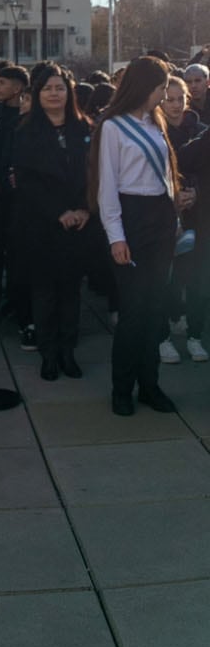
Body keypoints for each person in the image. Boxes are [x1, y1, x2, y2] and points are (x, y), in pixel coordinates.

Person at [97, 55, 191, 417]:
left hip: (161, 220)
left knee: (155, 310)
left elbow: (166, 173)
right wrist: (116, 237)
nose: (165, 92)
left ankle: (150, 385)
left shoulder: (157, 121)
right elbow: (107, 188)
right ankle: (122, 388)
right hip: (131, 219)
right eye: (162, 85)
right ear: (146, 86)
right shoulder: (113, 127)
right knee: (134, 312)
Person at [14, 67, 97, 381]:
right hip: (42, 223)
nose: (53, 93)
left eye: (59, 87)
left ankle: (68, 351)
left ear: (69, 92)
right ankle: (48, 353)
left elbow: (96, 174)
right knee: (45, 291)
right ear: (37, 94)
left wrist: (85, 209)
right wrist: (58, 211)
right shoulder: (26, 131)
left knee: (72, 291)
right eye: (47, 88)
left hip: (79, 222)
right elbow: (25, 180)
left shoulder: (85, 127)